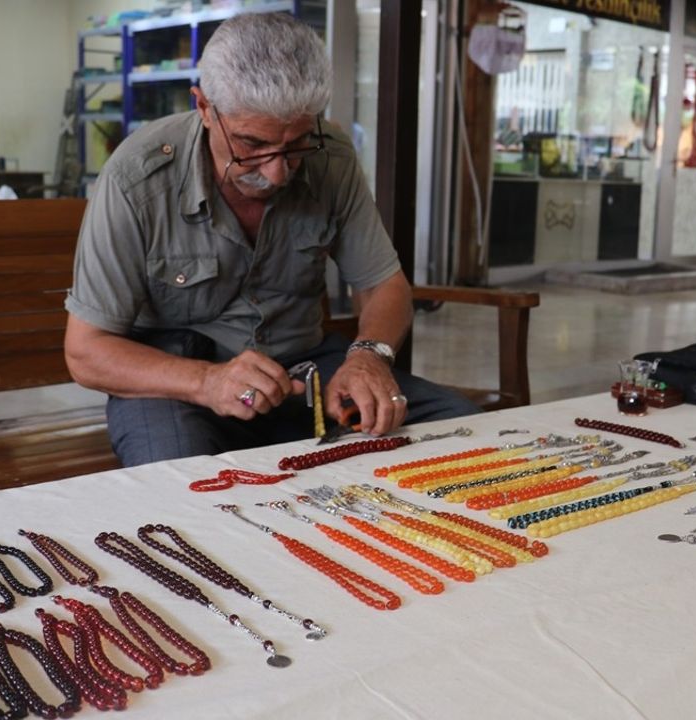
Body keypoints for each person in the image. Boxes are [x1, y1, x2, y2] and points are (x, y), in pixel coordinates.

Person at [63, 13, 480, 467]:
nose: (276, 172)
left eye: (297, 144)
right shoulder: (136, 179)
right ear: (204, 108)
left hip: (305, 369)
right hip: (178, 386)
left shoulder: (331, 158)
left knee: (463, 434)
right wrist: (207, 381)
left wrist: (368, 357)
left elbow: (385, 285)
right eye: (251, 144)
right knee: (184, 489)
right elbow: (87, 351)